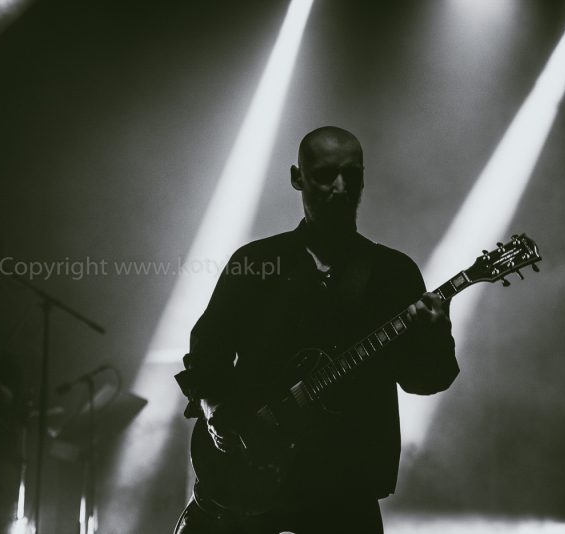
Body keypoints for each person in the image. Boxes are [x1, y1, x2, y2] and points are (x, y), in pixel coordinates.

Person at [174, 126, 459, 533]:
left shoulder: (393, 273)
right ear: (298, 178)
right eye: (326, 175)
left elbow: (424, 380)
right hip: (252, 474)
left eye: (352, 175)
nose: (340, 188)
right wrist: (214, 407)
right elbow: (208, 349)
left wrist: (436, 333)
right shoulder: (256, 262)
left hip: (344, 482)